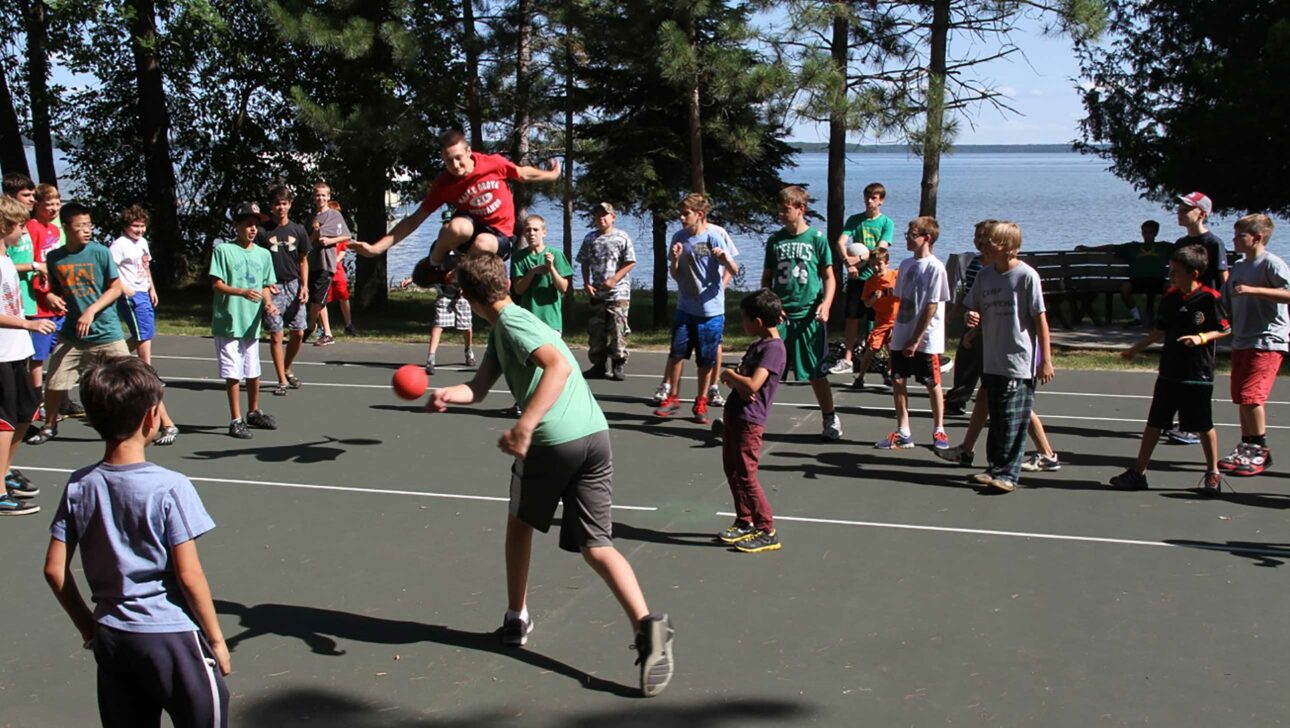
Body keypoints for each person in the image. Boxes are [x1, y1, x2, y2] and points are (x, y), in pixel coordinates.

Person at [425, 253, 675, 697]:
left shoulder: (514, 327)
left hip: (554, 441)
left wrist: (525, 425)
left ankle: (516, 616)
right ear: (504, 283)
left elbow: (558, 368)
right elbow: (480, 388)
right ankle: (648, 627)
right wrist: (447, 392)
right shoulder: (512, 324)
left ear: (467, 298)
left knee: (519, 525)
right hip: (594, 434)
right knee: (597, 546)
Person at [43, 356, 231, 726]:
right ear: (151, 417)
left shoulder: (80, 484)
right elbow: (190, 575)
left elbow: (53, 569)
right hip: (171, 637)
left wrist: (88, 627)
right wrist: (218, 640)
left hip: (113, 637)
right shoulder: (169, 486)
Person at [351, 129, 561, 281]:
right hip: (469, 229)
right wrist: (376, 248)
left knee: (483, 242)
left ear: (469, 152)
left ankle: (458, 272)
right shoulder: (444, 183)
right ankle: (434, 264)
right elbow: (414, 220)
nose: (455, 165)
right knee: (456, 227)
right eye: (448, 161)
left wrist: (550, 175)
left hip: (499, 236)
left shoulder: (493, 164)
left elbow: (522, 173)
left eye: (459, 158)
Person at [1110, 245, 1229, 492]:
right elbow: (1159, 330)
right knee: (1154, 422)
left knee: (1203, 425)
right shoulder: (1171, 297)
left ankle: (1212, 473)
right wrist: (1135, 349)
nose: (1171, 276)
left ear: (1194, 273)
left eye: (1176, 272)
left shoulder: (1210, 298)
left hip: (1198, 373)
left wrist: (1202, 338)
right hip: (1169, 372)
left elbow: (1225, 329)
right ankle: (1138, 473)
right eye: (1170, 271)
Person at [27, 203, 140, 446]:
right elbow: (54, 290)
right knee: (55, 381)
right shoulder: (55, 257)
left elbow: (116, 288)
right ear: (66, 228)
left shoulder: (100, 252)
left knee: (132, 379)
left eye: (89, 225)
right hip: (72, 336)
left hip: (106, 332)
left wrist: (91, 310)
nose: (87, 230)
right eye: (80, 227)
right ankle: (50, 426)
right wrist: (51, 298)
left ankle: (150, 423)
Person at [959, 221, 1054, 492]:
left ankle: (1009, 474)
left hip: (1018, 360)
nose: (982, 247)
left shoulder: (1026, 276)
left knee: (1013, 420)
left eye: (989, 242)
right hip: (992, 357)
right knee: (997, 417)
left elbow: (1040, 321)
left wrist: (1045, 359)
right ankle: (994, 468)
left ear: (1006, 246)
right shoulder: (984, 276)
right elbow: (973, 310)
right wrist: (970, 324)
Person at [761, 186, 841, 440]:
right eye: (780, 210)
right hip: (781, 316)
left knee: (816, 372)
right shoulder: (775, 241)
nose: (781, 214)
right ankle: (750, 418)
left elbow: (829, 277)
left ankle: (830, 419)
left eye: (786, 210)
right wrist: (770, 306)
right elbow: (767, 279)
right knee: (766, 370)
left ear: (800, 209)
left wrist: (826, 304)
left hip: (808, 317)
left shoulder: (816, 239)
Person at [712, 289, 786, 553]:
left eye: (744, 319)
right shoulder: (759, 344)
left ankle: (766, 529)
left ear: (757, 322)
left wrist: (731, 375)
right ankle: (744, 521)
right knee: (732, 470)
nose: (741, 324)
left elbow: (753, 385)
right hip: (736, 415)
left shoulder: (774, 350)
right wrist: (737, 380)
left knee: (746, 475)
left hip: (750, 421)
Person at [654, 194, 738, 424]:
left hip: (710, 312)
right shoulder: (679, 237)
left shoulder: (714, 236)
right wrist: (674, 259)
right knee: (677, 353)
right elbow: (675, 274)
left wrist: (724, 261)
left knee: (705, 360)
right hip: (685, 307)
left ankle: (701, 400)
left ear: (699, 214)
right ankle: (673, 397)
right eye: (680, 214)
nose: (681, 218)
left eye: (686, 214)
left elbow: (735, 268)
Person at [1216, 214, 1288, 477]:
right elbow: (1224, 300)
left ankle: (1261, 450)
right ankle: (1246, 447)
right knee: (1240, 397)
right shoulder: (1239, 267)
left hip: (1268, 340)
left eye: (1239, 236)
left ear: (1256, 238)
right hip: (1243, 339)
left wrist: (1254, 290)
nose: (1234, 240)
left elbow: (1288, 293)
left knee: (1252, 396)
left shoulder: (1271, 264)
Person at [0, 196, 56, 516]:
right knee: (5, 419)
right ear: (5, 226)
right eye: (21, 226)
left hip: (17, 347)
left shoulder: (7, 259)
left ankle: (4, 470)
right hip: (2, 352)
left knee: (26, 411)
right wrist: (27, 323)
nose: (25, 233)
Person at [875, 217, 950, 450]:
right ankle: (903, 431)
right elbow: (901, 300)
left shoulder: (936, 267)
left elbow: (931, 306)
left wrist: (915, 339)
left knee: (931, 383)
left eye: (912, 234)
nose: (906, 238)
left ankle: (939, 430)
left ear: (926, 238)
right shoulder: (905, 265)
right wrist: (896, 333)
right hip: (902, 333)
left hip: (925, 339)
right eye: (907, 233)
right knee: (898, 380)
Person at [110, 204, 180, 446]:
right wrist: (124, 288)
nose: (139, 230)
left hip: (143, 291)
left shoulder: (142, 243)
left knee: (146, 333)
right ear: (125, 225)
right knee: (143, 337)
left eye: (142, 226)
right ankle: (146, 369)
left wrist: (152, 286)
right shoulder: (119, 245)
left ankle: (114, 356)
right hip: (130, 294)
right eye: (134, 226)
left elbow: (145, 265)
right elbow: (112, 269)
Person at [6, 180, 74, 423]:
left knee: (60, 349)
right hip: (34, 304)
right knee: (33, 355)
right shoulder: (30, 229)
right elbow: (35, 266)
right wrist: (46, 293)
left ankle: (57, 398)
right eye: (48, 203)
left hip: (46, 301)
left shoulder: (53, 230)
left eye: (58, 203)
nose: (54, 208)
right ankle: (36, 401)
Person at [210, 203, 278, 439]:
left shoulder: (263, 254)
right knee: (233, 372)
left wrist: (268, 303)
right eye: (247, 224)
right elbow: (217, 285)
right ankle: (235, 420)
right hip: (229, 322)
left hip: (252, 322)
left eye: (255, 224)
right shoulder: (223, 251)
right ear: (236, 225)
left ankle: (253, 412)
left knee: (253, 370)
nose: (252, 229)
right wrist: (242, 292)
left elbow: (265, 285)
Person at [831, 182, 893, 374]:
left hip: (875, 278)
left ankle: (881, 358)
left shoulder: (886, 223)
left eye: (874, 197)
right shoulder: (855, 220)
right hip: (856, 277)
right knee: (852, 317)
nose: (869, 200)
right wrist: (848, 264)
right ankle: (848, 359)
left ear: (881, 200)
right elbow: (841, 242)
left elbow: (880, 249)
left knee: (880, 320)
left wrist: (858, 259)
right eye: (867, 197)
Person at [257, 185, 311, 395]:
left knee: (298, 332)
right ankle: (281, 380)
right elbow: (258, 261)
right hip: (273, 287)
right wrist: (265, 284)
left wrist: (304, 285)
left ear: (290, 205)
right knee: (277, 335)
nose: (281, 207)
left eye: (284, 203)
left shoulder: (298, 230)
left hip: (294, 285)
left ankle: (287, 368)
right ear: (271, 206)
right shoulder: (263, 232)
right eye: (277, 203)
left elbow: (303, 260)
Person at [577, 202, 636, 381]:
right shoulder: (590, 238)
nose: (601, 218)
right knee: (596, 330)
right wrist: (586, 283)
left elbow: (630, 262)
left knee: (617, 330)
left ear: (613, 217)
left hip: (618, 292)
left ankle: (618, 363)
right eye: (598, 215)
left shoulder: (621, 237)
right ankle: (598, 365)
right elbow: (584, 262)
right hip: (598, 292)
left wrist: (614, 279)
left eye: (605, 215)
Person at [1078, 220, 1171, 327]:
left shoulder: (1164, 247)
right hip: (1137, 280)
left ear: (1156, 234)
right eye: (1145, 232)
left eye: (1150, 232)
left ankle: (1162, 317)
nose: (1147, 235)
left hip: (1157, 280)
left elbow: (1183, 249)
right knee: (1125, 287)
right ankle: (1136, 317)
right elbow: (1112, 247)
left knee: (1169, 288)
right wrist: (1089, 249)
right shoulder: (1133, 247)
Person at [942, 221, 992, 413]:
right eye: (976, 236)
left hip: (986, 319)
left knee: (983, 361)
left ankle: (988, 399)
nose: (978, 240)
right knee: (965, 360)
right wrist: (955, 311)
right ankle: (957, 400)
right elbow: (966, 289)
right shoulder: (975, 261)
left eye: (983, 236)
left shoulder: (995, 266)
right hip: (970, 316)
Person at [510, 215, 573, 333]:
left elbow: (563, 288)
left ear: (544, 233)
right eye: (528, 230)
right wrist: (532, 272)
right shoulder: (518, 257)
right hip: (528, 320)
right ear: (524, 233)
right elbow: (518, 289)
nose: (531, 233)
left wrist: (551, 268)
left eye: (535, 230)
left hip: (551, 320)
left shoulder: (556, 254)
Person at [303, 182, 347, 347]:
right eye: (318, 195)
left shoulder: (334, 216)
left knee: (317, 299)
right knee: (318, 299)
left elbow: (345, 236)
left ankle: (312, 326)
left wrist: (330, 240)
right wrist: (314, 235)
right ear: (314, 197)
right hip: (312, 262)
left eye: (323, 195)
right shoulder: (312, 217)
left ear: (328, 197)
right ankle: (325, 332)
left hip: (326, 262)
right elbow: (306, 241)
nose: (320, 198)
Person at [851, 247, 898, 389]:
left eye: (879, 264)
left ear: (887, 263)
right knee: (872, 348)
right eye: (873, 265)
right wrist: (873, 298)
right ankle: (860, 377)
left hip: (897, 320)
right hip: (882, 320)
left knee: (895, 350)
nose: (876, 267)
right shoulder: (870, 282)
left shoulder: (896, 276)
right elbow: (866, 303)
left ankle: (888, 372)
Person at [425, 285, 475, 375]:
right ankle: (430, 361)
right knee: (438, 326)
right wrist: (411, 279)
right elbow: (425, 275)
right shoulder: (440, 271)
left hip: (462, 297)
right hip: (444, 296)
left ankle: (468, 352)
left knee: (467, 328)